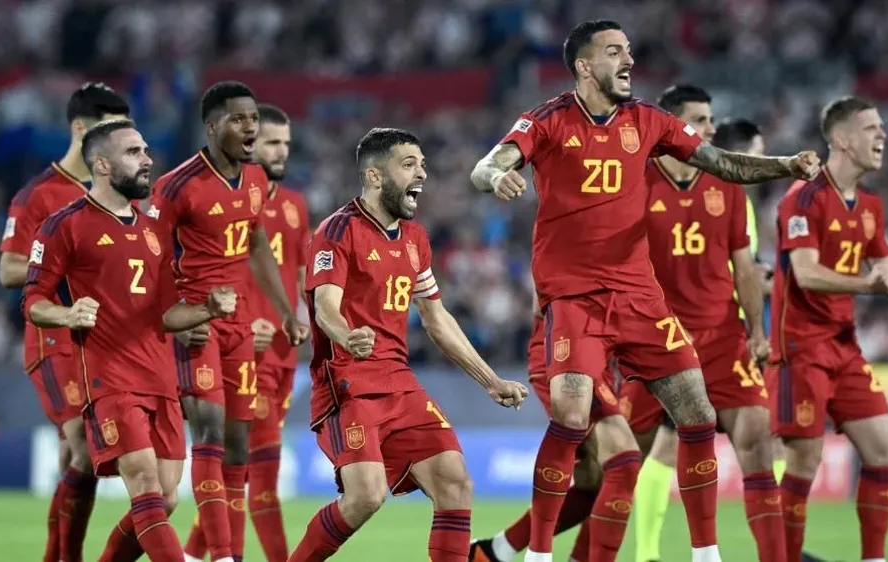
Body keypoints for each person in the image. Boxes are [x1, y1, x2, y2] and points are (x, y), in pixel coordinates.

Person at [470, 19, 819, 562]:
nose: (628, 60)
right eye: (614, 52)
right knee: (571, 416)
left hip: (639, 299)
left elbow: (722, 163)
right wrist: (496, 177)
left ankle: (706, 554)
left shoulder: (648, 121)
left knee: (698, 415)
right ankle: (535, 554)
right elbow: (488, 163)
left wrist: (785, 165)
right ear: (585, 66)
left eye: (629, 51)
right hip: (575, 298)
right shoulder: (550, 119)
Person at [289, 127, 528, 562]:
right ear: (376, 177)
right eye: (409, 164)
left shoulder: (415, 239)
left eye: (423, 164)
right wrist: (346, 336)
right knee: (366, 497)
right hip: (348, 385)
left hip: (400, 384)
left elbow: (436, 317)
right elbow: (325, 306)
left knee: (455, 482)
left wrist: (490, 380)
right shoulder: (337, 230)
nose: (422, 172)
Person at [22, 118, 235, 561]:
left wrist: (207, 309)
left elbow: (166, 314)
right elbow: (33, 302)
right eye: (134, 153)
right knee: (145, 486)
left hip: (161, 380)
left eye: (145, 151)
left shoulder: (154, 231)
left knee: (167, 497)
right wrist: (68, 312)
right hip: (111, 381)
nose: (147, 160)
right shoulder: (65, 225)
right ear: (101, 164)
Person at [766, 96, 888, 562]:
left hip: (844, 348)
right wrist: (865, 283)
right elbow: (807, 272)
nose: (883, 137)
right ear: (841, 138)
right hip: (801, 349)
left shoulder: (871, 205)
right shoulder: (803, 197)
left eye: (882, 128)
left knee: (881, 451)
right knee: (804, 463)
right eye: (872, 128)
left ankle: (873, 559)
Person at [622, 87, 784, 562]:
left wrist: (756, 330)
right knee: (619, 460)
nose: (711, 129)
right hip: (655, 342)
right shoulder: (636, 183)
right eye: (700, 120)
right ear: (672, 126)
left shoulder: (726, 185)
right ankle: (634, 553)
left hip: (722, 337)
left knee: (755, 440)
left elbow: (744, 265)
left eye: (712, 120)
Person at [150, 81, 309, 562]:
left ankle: (219, 553)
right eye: (239, 119)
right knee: (212, 433)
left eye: (253, 119)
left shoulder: (256, 181)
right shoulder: (177, 186)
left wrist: (285, 311)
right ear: (213, 125)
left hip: (239, 322)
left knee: (239, 445)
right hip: (198, 324)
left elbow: (256, 243)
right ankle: (222, 555)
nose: (250, 127)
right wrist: (178, 316)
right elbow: (151, 255)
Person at [0, 82, 129, 562]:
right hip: (53, 337)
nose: (118, 138)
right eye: (109, 127)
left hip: (103, 342)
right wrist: (62, 265)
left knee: (83, 459)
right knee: (83, 447)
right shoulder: (40, 195)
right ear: (80, 129)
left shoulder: (120, 196)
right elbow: (10, 268)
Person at [469, 297, 608, 562]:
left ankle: (494, 551)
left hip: (605, 347)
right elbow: (540, 300)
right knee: (619, 464)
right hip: (567, 343)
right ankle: (536, 554)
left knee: (597, 479)